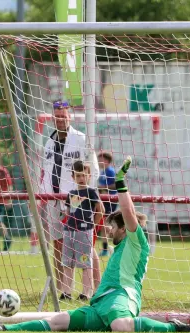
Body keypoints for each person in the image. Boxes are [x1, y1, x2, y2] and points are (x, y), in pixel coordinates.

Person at [0, 157, 190, 333]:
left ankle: (173, 327)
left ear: (124, 228)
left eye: (112, 228)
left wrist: (120, 181)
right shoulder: (120, 247)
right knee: (60, 321)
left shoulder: (136, 243)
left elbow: (128, 212)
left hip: (121, 296)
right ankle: (4, 328)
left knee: (120, 326)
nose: (108, 231)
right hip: (100, 302)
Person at [40, 101, 98, 297]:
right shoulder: (48, 142)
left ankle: (96, 288)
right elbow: (45, 171)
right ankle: (62, 289)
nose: (60, 120)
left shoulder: (81, 139)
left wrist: (88, 196)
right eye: (57, 117)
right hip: (53, 199)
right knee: (57, 242)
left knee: (85, 242)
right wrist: (43, 194)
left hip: (76, 199)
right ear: (52, 118)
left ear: (70, 117)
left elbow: (93, 169)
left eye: (63, 116)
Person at [59, 160, 104, 301]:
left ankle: (86, 292)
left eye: (84, 175)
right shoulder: (71, 193)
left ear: (89, 176)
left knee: (85, 262)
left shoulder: (91, 192)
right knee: (67, 262)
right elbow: (68, 212)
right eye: (78, 176)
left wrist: (91, 225)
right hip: (69, 232)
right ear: (73, 177)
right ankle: (66, 292)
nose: (81, 178)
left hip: (84, 232)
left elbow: (100, 210)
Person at [97, 151, 118, 257]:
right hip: (104, 200)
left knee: (106, 225)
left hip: (110, 200)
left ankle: (114, 245)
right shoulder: (102, 172)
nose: (99, 161)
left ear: (107, 160)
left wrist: (102, 188)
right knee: (103, 226)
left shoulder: (110, 171)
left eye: (101, 159)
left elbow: (115, 185)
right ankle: (105, 249)